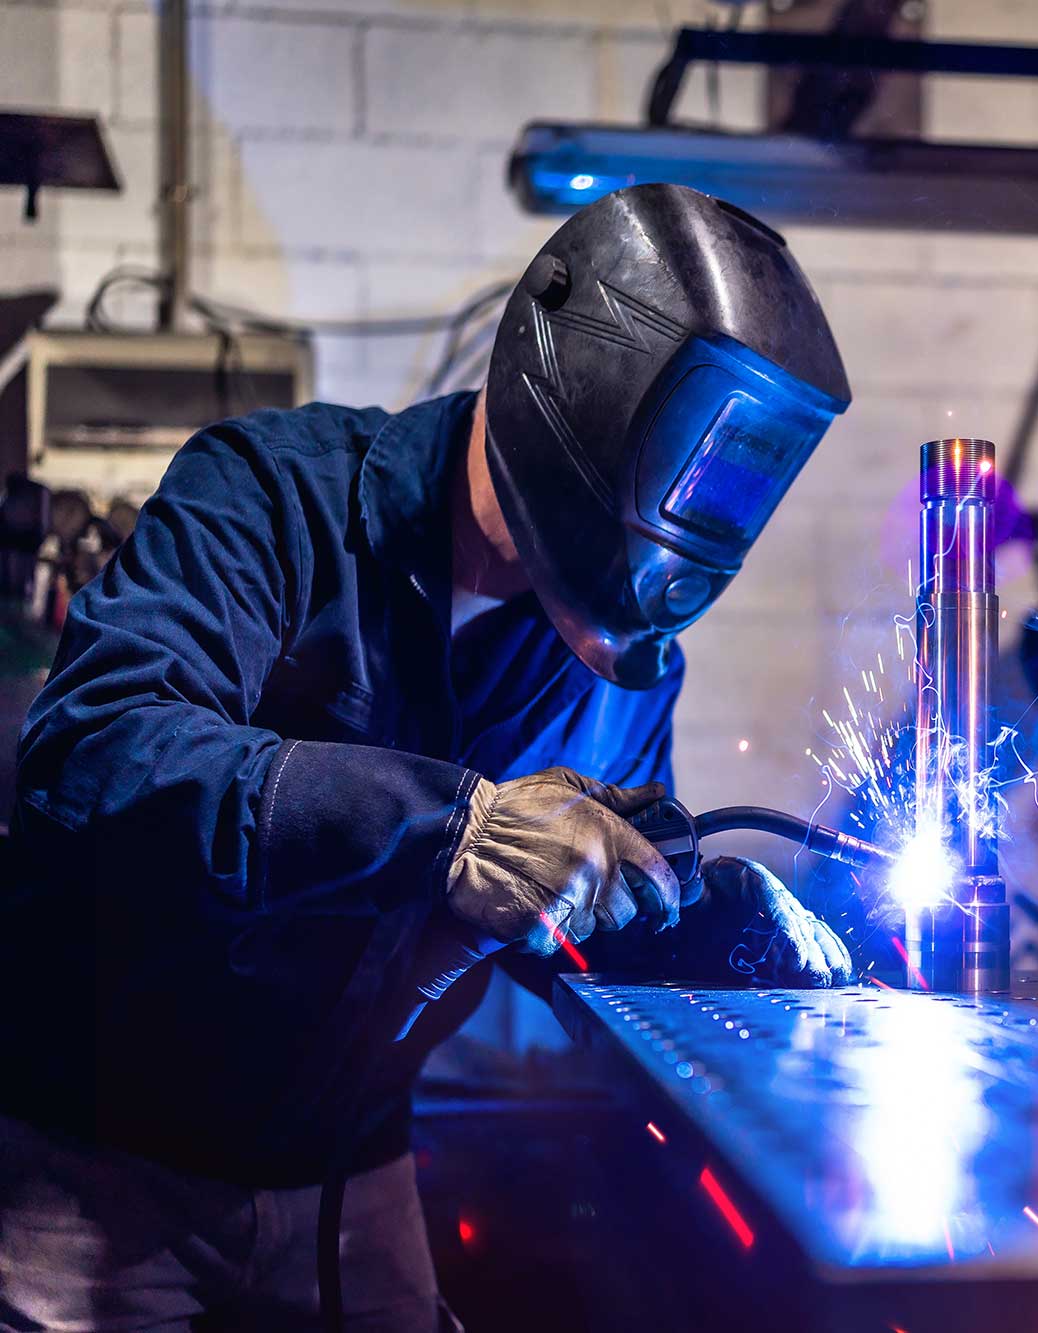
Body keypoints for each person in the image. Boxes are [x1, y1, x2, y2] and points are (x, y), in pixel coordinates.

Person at [0, 184, 854, 1331]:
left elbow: (565, 921)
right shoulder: (269, 499)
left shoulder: (619, 662)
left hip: (352, 1174)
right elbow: (91, 754)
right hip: (98, 1174)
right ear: (583, 399)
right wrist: (443, 828)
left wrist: (698, 924)